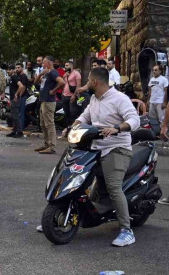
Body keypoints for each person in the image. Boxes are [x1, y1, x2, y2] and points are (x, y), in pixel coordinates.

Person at [73, 67, 140, 246]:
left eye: (88, 80)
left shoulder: (120, 99)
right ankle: (67, 216)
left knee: (113, 187)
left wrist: (117, 128)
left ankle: (127, 230)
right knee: (79, 180)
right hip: (96, 148)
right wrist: (74, 125)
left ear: (95, 82)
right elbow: (85, 116)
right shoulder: (94, 99)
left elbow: (135, 119)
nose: (86, 84)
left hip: (117, 148)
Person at [34, 56, 65, 154]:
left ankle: (52, 146)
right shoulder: (46, 73)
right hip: (43, 100)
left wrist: (53, 91)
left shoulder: (53, 72)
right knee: (43, 124)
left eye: (44, 62)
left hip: (49, 101)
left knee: (49, 124)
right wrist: (40, 75)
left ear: (49, 63)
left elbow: (62, 82)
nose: (42, 64)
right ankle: (46, 144)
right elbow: (35, 83)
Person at [61, 61, 81, 137]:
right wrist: (64, 76)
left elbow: (78, 85)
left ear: (72, 66)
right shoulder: (66, 74)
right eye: (65, 65)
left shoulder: (76, 74)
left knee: (72, 113)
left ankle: (73, 131)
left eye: (67, 65)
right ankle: (67, 130)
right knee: (66, 114)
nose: (66, 67)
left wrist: (74, 95)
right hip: (64, 95)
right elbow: (63, 83)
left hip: (71, 96)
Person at [7, 63, 28, 138]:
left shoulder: (14, 77)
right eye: (7, 70)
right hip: (12, 99)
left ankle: (19, 132)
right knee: (13, 116)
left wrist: (16, 94)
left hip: (15, 100)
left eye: (9, 70)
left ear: (13, 70)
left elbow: (21, 86)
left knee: (16, 116)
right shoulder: (12, 78)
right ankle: (14, 131)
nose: (8, 71)